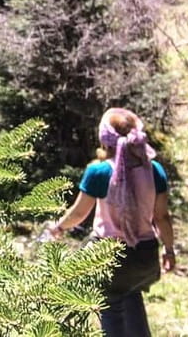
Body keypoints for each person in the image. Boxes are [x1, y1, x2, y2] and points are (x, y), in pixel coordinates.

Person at [48, 108, 175, 337]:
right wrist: (169, 250)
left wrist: (58, 228)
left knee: (111, 307)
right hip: (144, 255)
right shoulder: (155, 170)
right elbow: (162, 217)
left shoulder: (99, 171)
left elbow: (79, 214)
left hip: (107, 256)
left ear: (104, 139)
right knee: (131, 295)